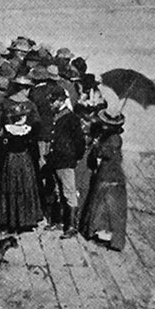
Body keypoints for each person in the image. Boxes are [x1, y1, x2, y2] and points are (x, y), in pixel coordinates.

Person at [79, 110, 129, 250]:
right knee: (106, 205)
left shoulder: (113, 139)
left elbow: (103, 153)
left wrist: (97, 146)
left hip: (109, 174)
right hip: (109, 173)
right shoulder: (113, 137)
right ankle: (101, 233)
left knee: (105, 205)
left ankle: (101, 233)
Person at [45, 88, 87, 238]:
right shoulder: (57, 115)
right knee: (57, 191)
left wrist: (75, 157)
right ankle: (58, 220)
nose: (50, 104)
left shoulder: (71, 118)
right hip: (56, 159)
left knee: (69, 192)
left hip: (65, 160)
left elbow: (79, 141)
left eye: (53, 101)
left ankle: (71, 226)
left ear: (61, 101)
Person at [0, 103, 42, 233]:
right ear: (22, 117)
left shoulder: (7, 130)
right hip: (24, 160)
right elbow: (34, 149)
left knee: (12, 188)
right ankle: (25, 220)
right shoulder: (27, 130)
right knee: (25, 187)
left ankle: (12, 219)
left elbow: (0, 144)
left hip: (11, 160)